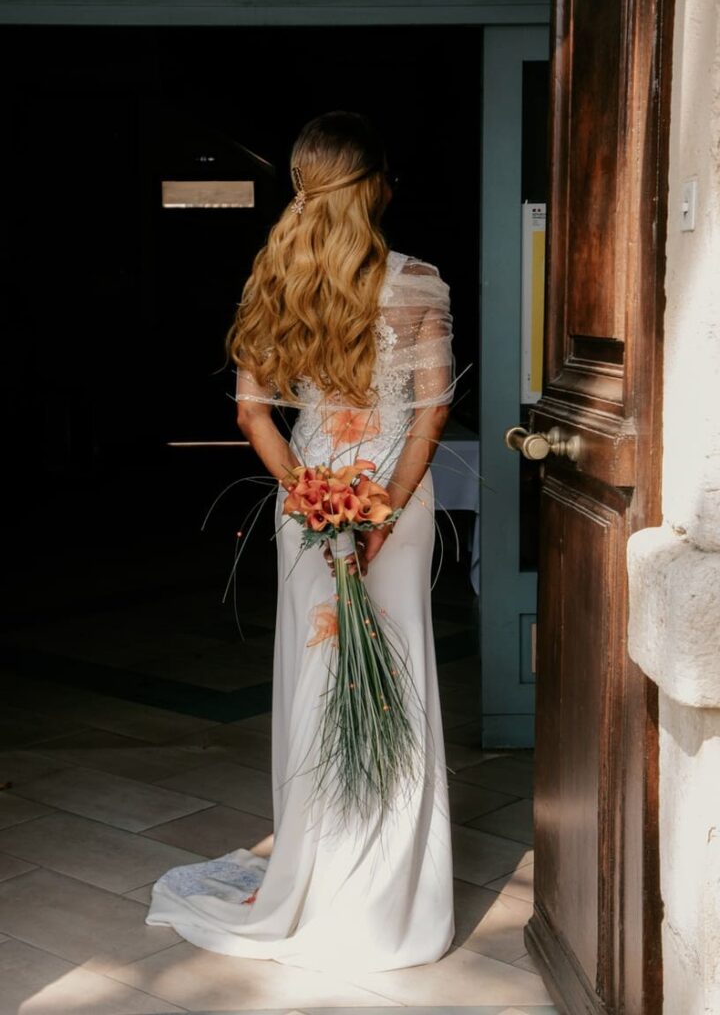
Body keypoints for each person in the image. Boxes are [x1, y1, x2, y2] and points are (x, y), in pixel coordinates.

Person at [146, 111, 456, 973]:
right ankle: (393, 898)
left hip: (311, 504)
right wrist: (384, 508)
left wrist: (313, 498)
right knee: (400, 679)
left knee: (318, 681)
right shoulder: (419, 281)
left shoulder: (273, 280)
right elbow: (430, 415)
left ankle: (316, 879)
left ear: (301, 186)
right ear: (379, 185)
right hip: (396, 502)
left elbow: (253, 415)